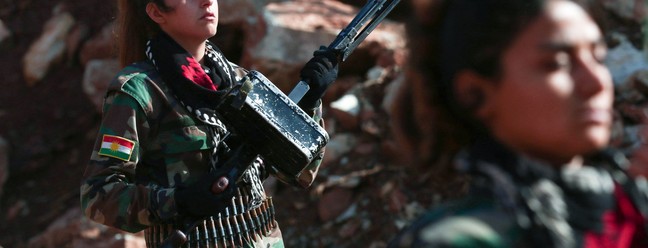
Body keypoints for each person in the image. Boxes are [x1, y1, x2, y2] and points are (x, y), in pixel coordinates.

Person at [388, 0, 648, 247]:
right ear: (475, 93)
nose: (597, 82)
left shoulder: (630, 210)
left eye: (598, 58)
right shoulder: (460, 240)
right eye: (557, 63)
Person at [79, 0, 338, 247]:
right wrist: (179, 201)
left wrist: (309, 102)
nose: (206, 1)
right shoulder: (138, 91)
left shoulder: (241, 82)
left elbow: (301, 173)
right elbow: (99, 196)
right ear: (157, 13)